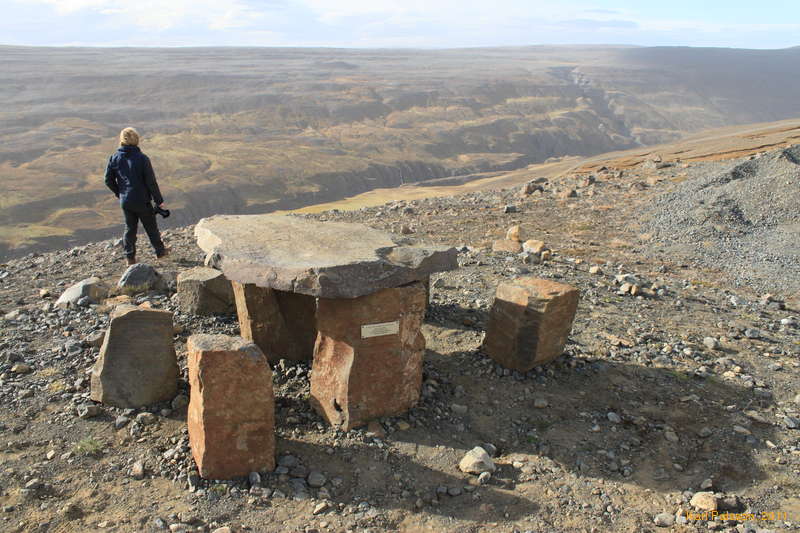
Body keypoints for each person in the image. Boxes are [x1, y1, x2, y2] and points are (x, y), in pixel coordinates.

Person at [104, 127, 168, 265]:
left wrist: (120, 193)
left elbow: (108, 180)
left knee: (130, 229)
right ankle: (160, 252)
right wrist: (159, 201)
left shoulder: (114, 158)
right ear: (136, 140)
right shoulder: (142, 158)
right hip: (142, 200)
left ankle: (130, 258)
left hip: (126, 201)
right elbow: (151, 182)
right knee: (151, 227)